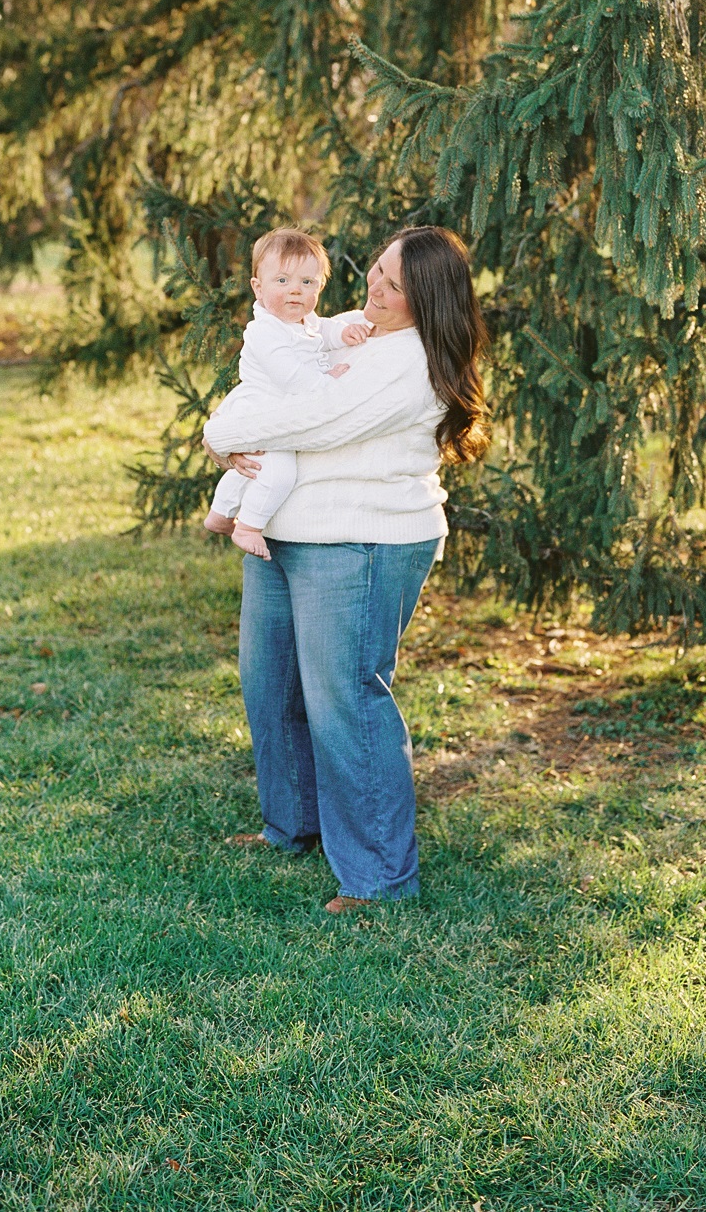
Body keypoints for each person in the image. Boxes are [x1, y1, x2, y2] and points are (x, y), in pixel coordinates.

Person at [202, 225, 489, 913]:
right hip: (283, 531)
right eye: (376, 273)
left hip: (361, 540)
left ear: (429, 298)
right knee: (271, 683)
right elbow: (266, 390)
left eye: (394, 284)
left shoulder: (411, 359)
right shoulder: (358, 335)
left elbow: (312, 419)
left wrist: (221, 434)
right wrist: (237, 427)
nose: (375, 289)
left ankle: (380, 876)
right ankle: (293, 825)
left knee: (346, 701)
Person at [199, 228, 372, 559]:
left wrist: (344, 333)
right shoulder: (264, 332)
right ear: (258, 288)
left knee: (250, 468)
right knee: (278, 472)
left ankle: (220, 514)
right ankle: (248, 526)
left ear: (319, 287)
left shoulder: (305, 320)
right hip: (260, 408)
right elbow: (293, 379)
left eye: (308, 282)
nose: (295, 290)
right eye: (283, 281)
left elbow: (324, 330)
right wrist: (327, 381)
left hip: (272, 406)